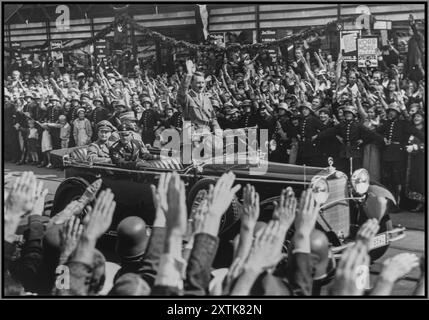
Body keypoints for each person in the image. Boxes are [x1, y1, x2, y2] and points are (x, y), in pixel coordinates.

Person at [315, 105, 383, 175]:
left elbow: (371, 134)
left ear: (353, 115)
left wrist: (382, 139)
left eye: (350, 113)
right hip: (344, 149)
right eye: (346, 113)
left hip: (355, 150)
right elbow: (329, 131)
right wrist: (317, 136)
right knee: (343, 169)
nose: (348, 115)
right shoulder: (341, 125)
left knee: (355, 170)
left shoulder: (358, 125)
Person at [404, 110, 425, 212]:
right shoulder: (411, 129)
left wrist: (417, 147)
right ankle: (417, 203)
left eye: (419, 116)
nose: (416, 118)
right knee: (414, 180)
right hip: (412, 159)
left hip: (423, 159)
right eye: (415, 116)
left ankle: (423, 204)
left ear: (423, 118)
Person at [296, 102, 322, 167]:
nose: (304, 111)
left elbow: (324, 129)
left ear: (310, 110)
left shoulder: (314, 119)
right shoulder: (301, 119)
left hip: (311, 145)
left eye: (306, 109)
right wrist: (297, 134)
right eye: (303, 109)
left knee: (310, 163)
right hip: (302, 144)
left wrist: (317, 136)